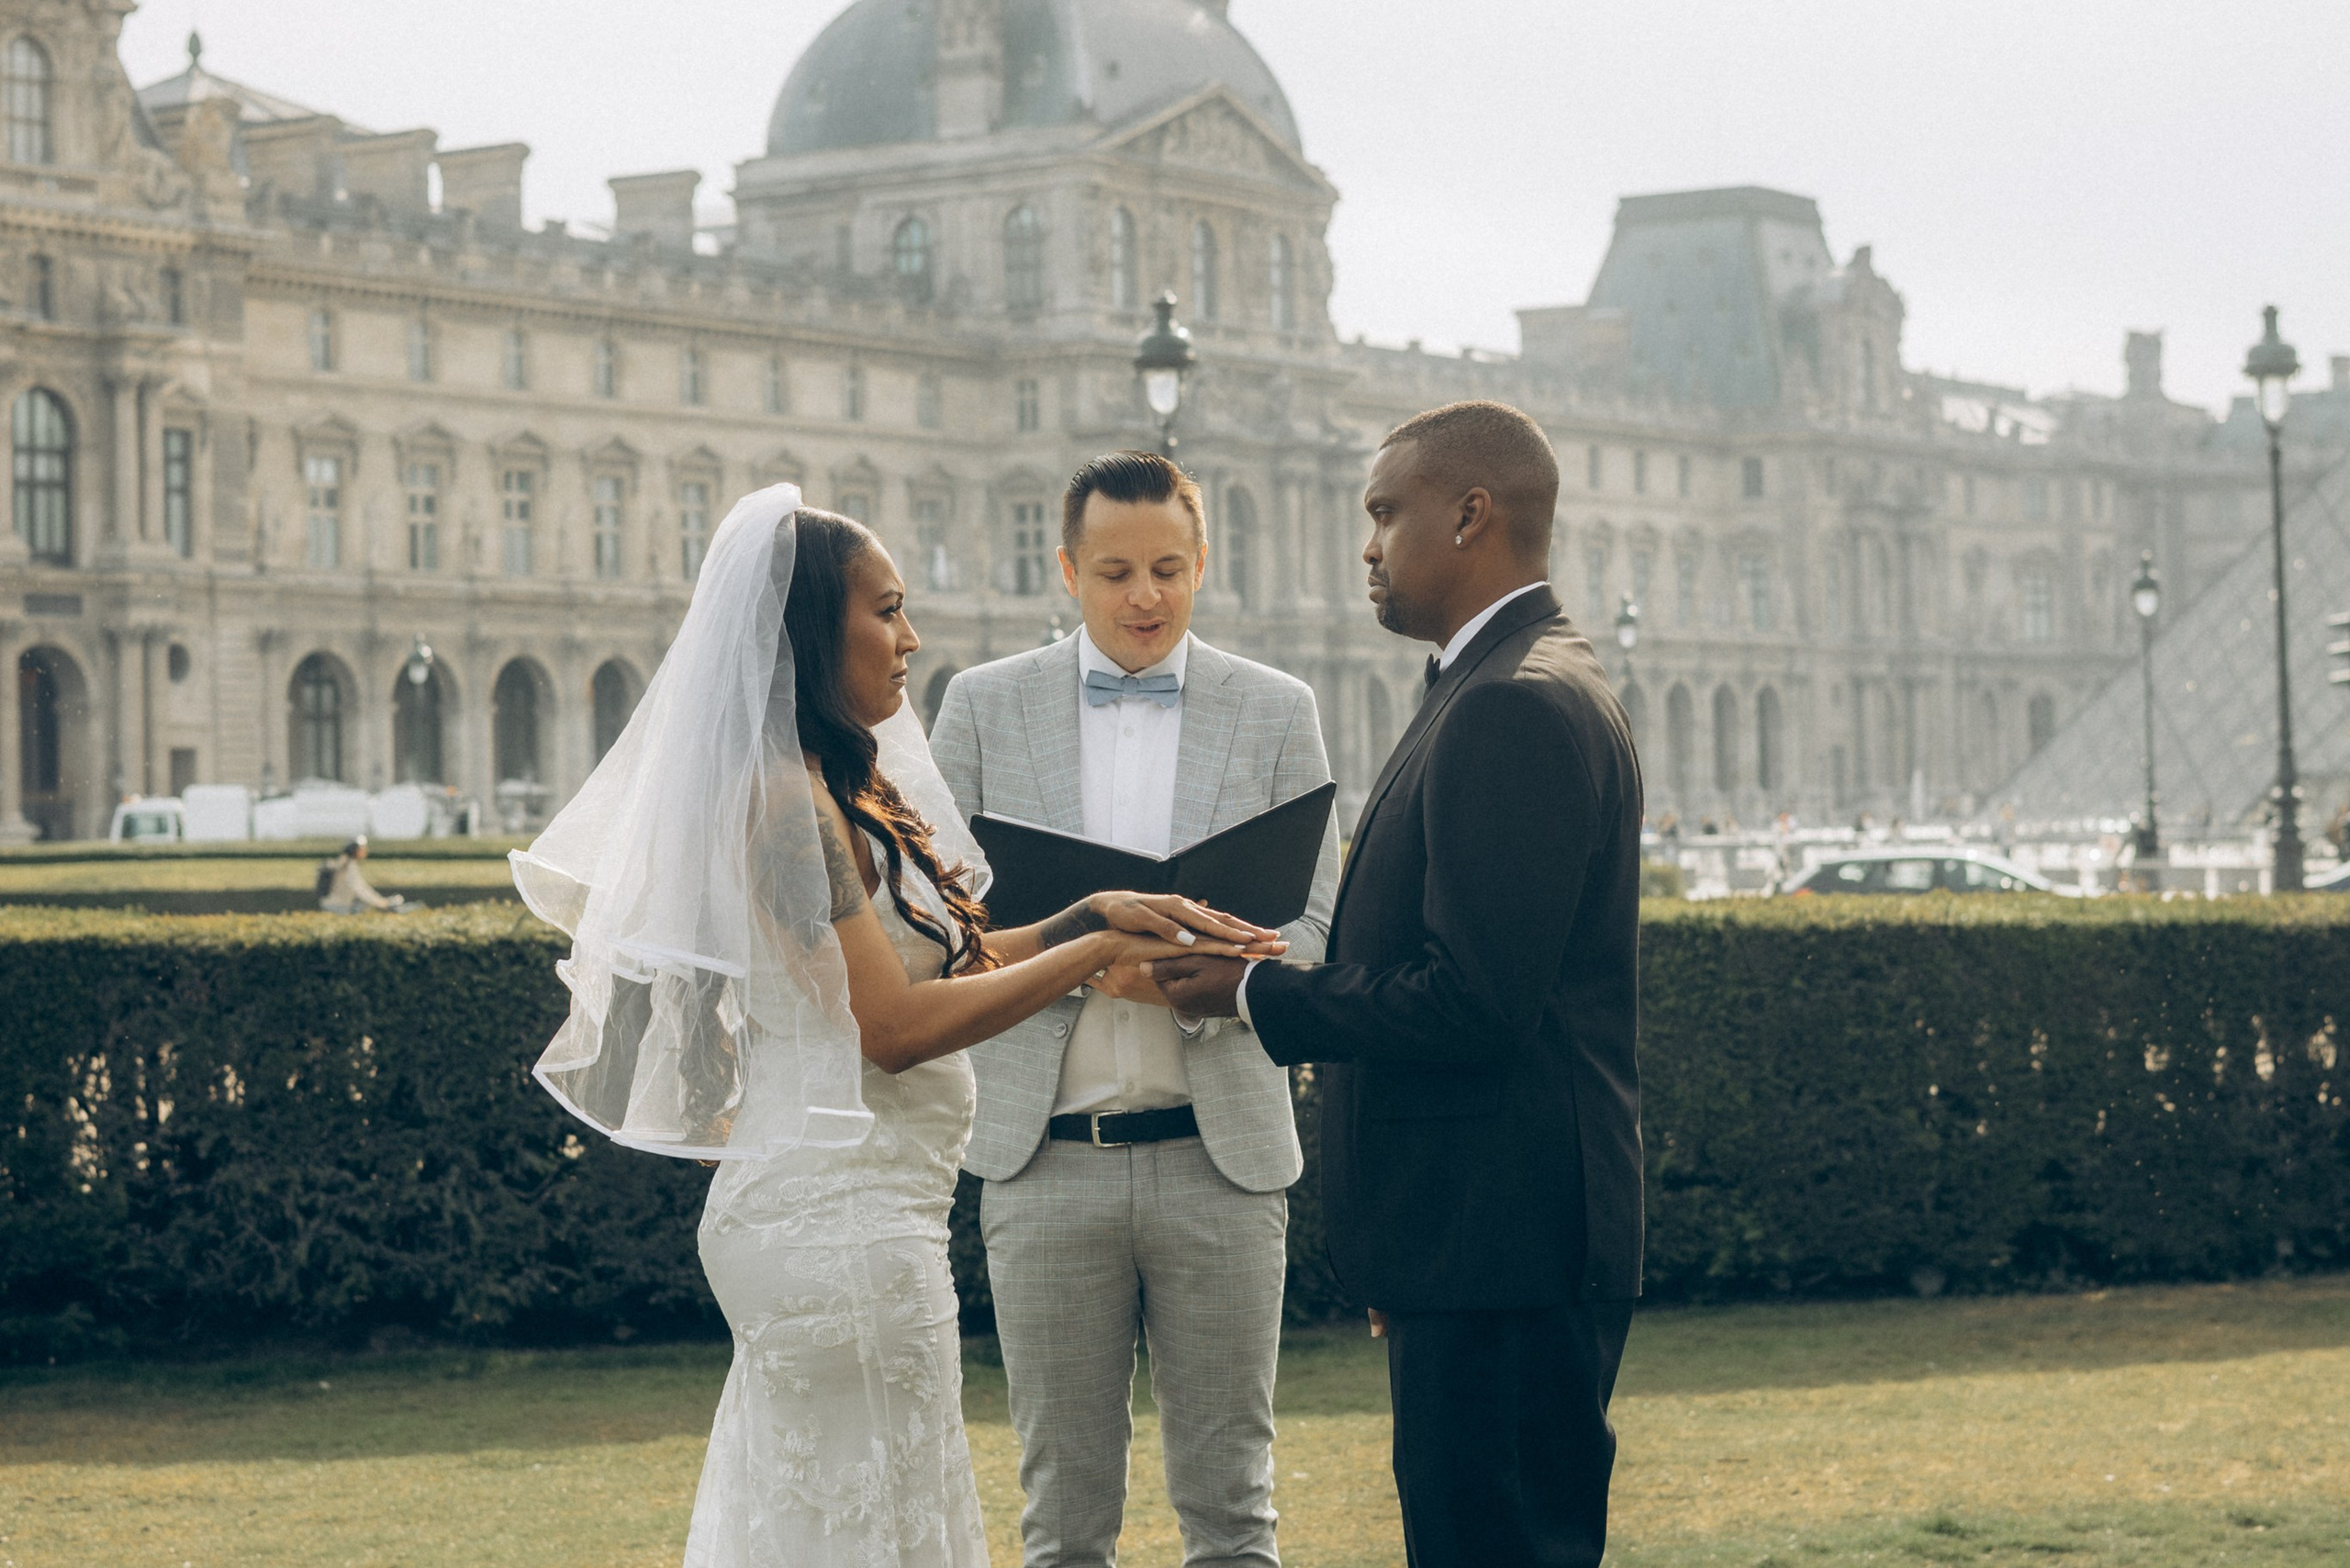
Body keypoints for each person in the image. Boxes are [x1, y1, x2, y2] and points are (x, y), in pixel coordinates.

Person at [509, 487, 1282, 1568]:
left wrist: (1089, 913)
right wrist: (1098, 952)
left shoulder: (823, 785)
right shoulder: (787, 804)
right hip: (838, 1218)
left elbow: (939, 958)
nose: (910, 636)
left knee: (860, 1520)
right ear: (809, 632)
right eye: (885, 610)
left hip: (858, 1210)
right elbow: (893, 1024)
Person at [1154, 400, 1646, 1568]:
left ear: (1469, 514)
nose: (1366, 546)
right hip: (1479, 1240)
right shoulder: (1508, 683)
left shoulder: (1511, 705)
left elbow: (1471, 1001)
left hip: (1502, 1248)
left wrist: (1250, 993)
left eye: (1384, 513)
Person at [930, 451, 1341, 1568]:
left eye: (1167, 567)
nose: (1143, 595)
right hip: (1044, 1159)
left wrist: (1181, 972)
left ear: (1203, 564)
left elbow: (1315, 932)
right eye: (1114, 570)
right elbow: (937, 939)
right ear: (1066, 570)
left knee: (1234, 1515)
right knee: (1062, 1522)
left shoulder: (1275, 709)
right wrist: (1077, 953)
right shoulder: (978, 705)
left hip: (1223, 1158)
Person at [317, 836, 403, 913]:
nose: (366, 851)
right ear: (355, 850)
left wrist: (381, 900)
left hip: (333, 905)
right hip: (338, 907)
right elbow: (360, 890)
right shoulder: (347, 866)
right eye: (363, 848)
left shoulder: (345, 862)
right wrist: (381, 903)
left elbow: (362, 888)